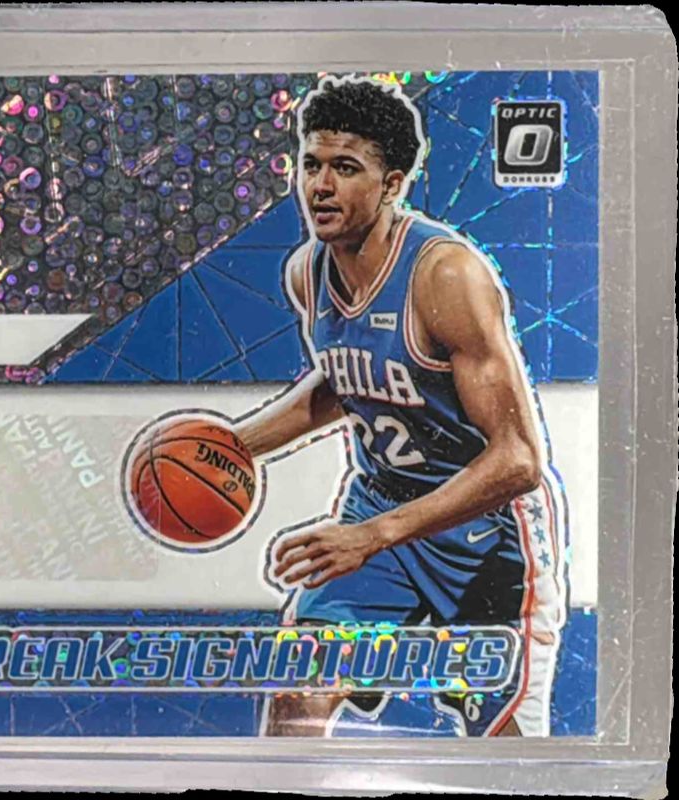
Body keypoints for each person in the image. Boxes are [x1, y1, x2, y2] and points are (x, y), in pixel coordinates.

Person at [233, 76, 568, 737]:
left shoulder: (445, 275)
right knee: (297, 696)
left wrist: (372, 536)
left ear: (391, 184)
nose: (319, 185)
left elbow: (519, 460)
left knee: (503, 756)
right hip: (380, 505)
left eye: (344, 168)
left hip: (486, 533)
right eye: (311, 165)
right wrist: (229, 445)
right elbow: (348, 380)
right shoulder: (307, 272)